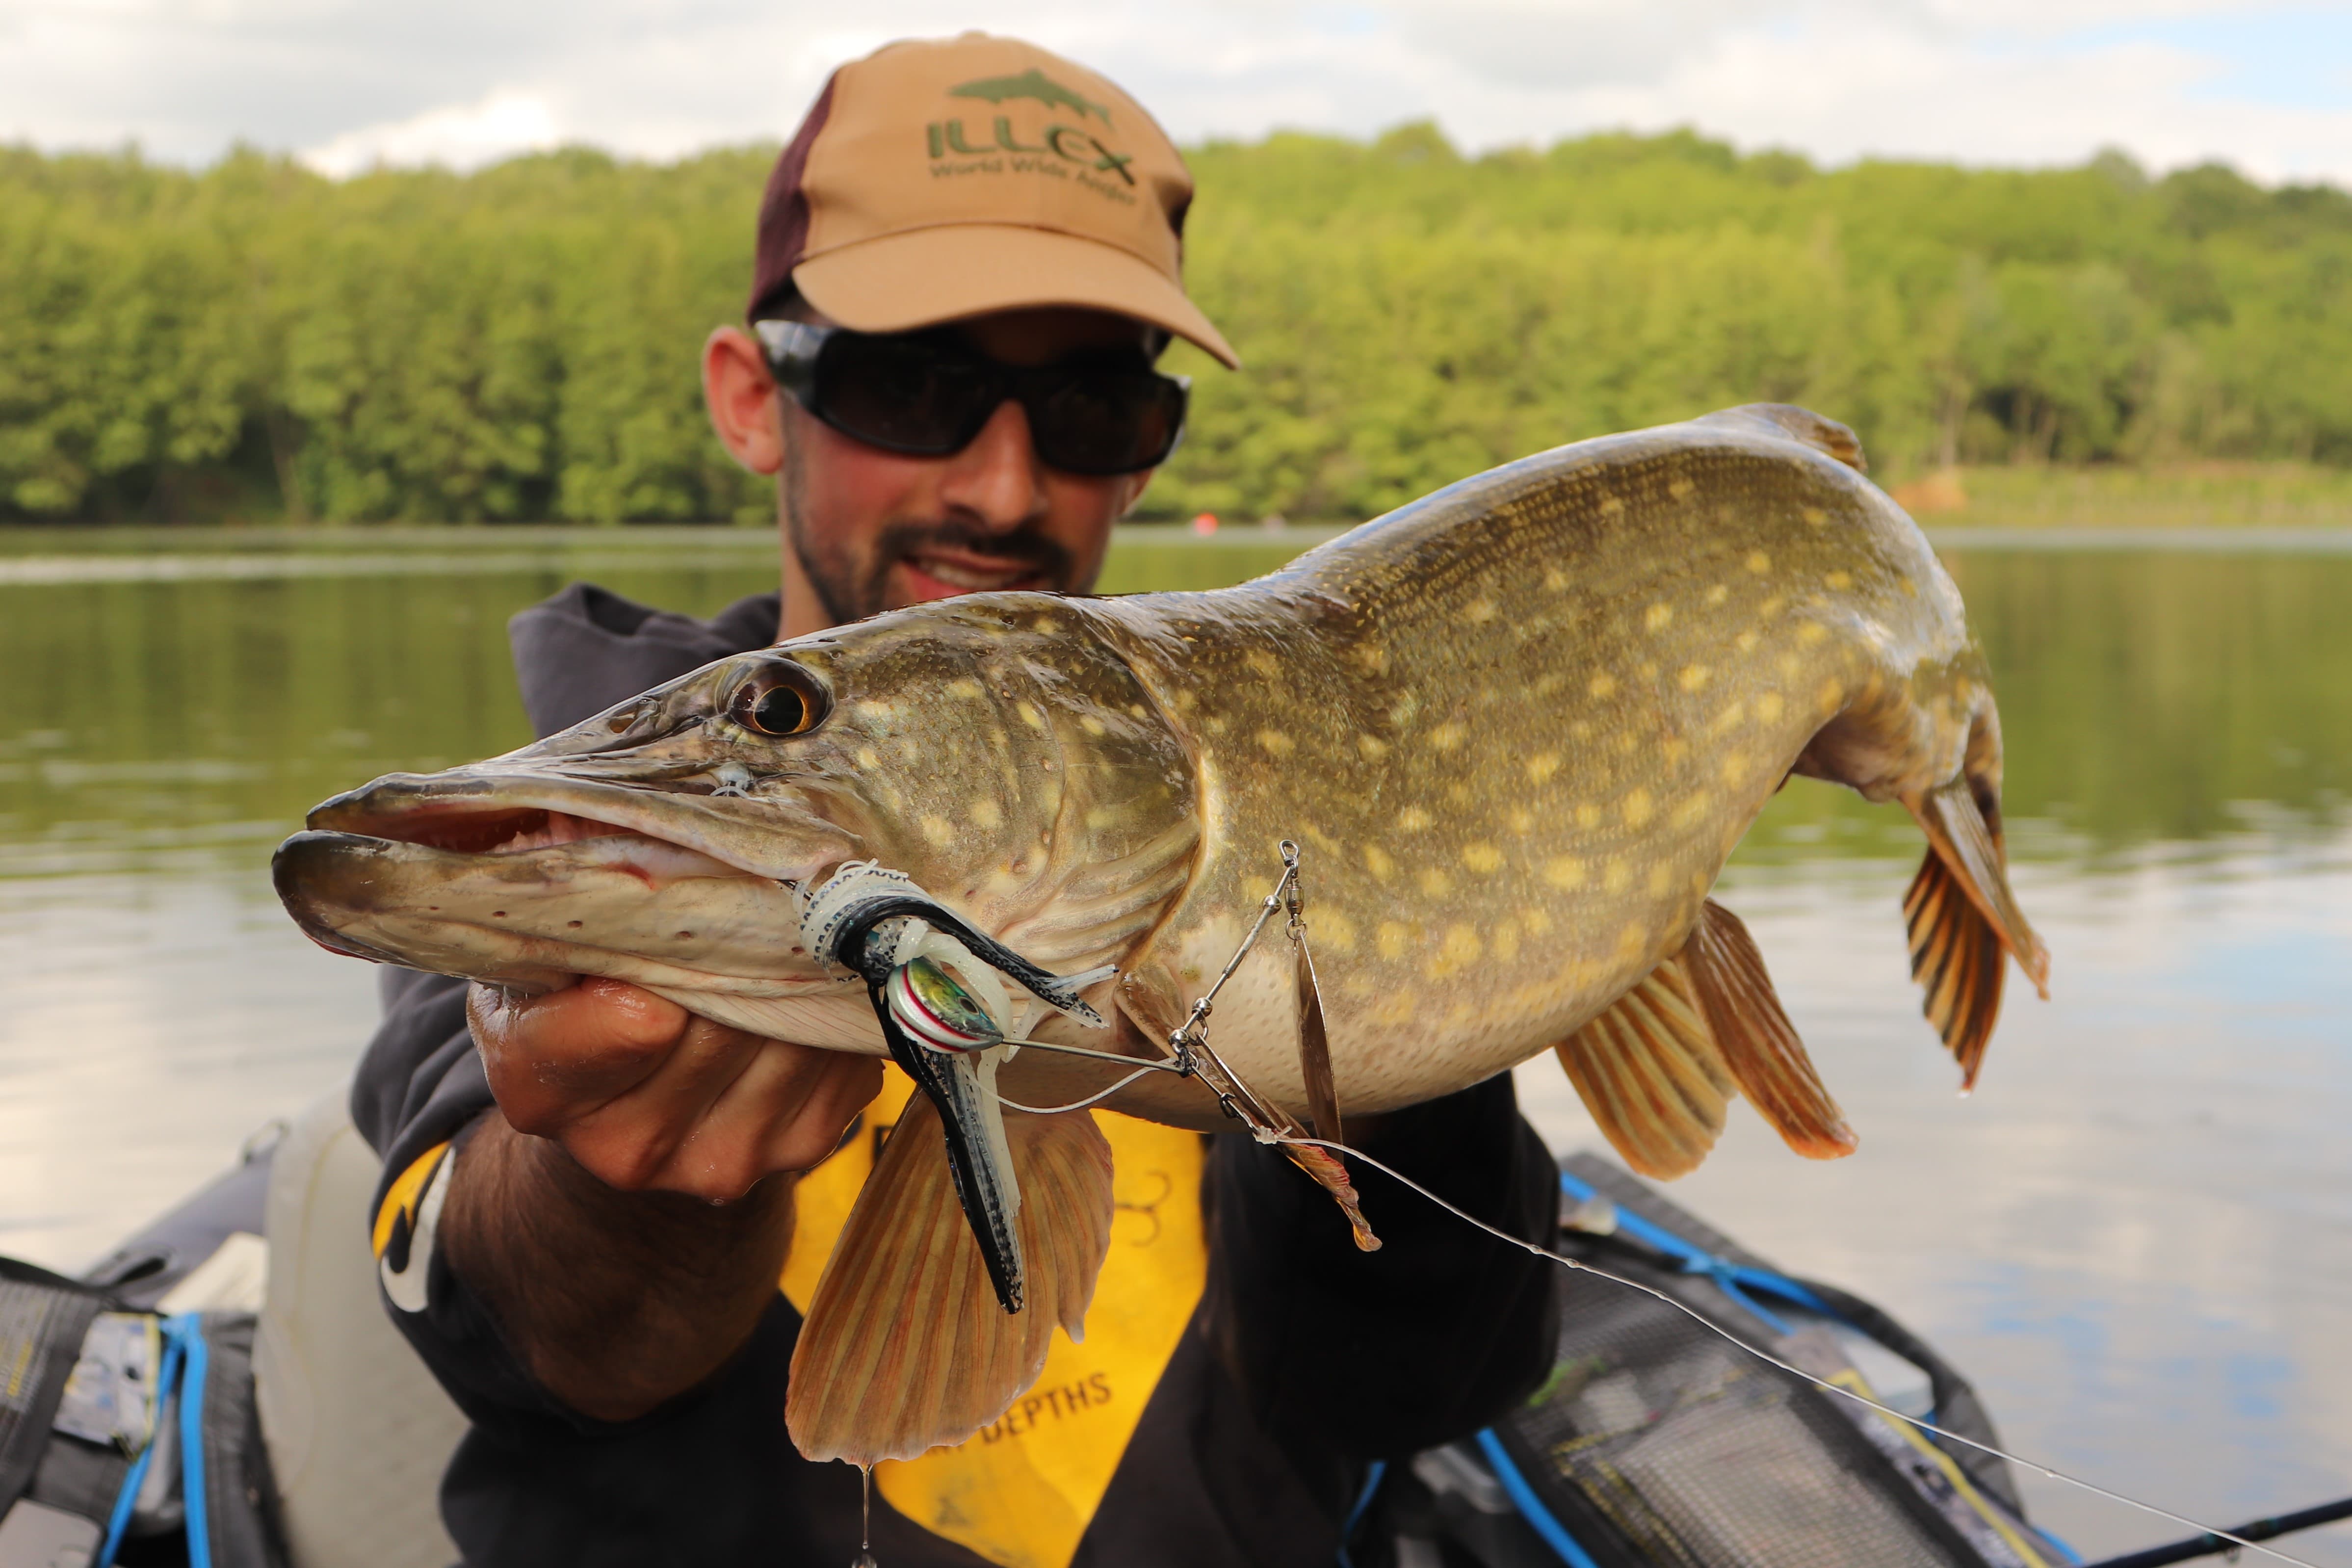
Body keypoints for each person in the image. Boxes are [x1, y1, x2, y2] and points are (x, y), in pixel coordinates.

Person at [352, 33, 1559, 1568]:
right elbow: (536, 1340)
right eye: (908, 386)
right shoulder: (572, 842)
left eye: (1091, 406)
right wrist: (623, 1189)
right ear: (749, 396)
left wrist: (1408, 1008)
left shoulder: (1268, 833)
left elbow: (1406, 1383)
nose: (1000, 485)